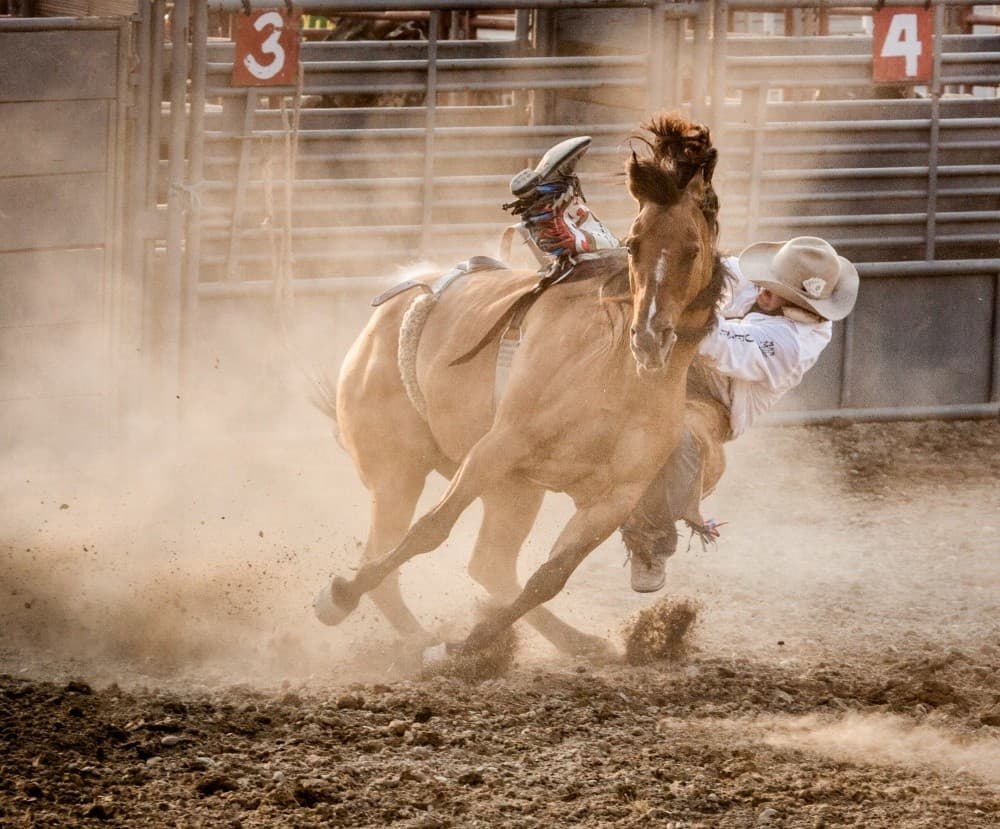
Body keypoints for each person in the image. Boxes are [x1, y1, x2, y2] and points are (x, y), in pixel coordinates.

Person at [504, 137, 860, 594]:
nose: (761, 290)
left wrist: (666, 315)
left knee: (680, 438)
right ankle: (558, 219)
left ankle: (651, 543)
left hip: (712, 401)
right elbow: (706, 269)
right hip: (678, 355)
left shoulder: (796, 344)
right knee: (645, 265)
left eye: (772, 291)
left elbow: (726, 347)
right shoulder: (768, 291)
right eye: (766, 284)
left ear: (797, 304)